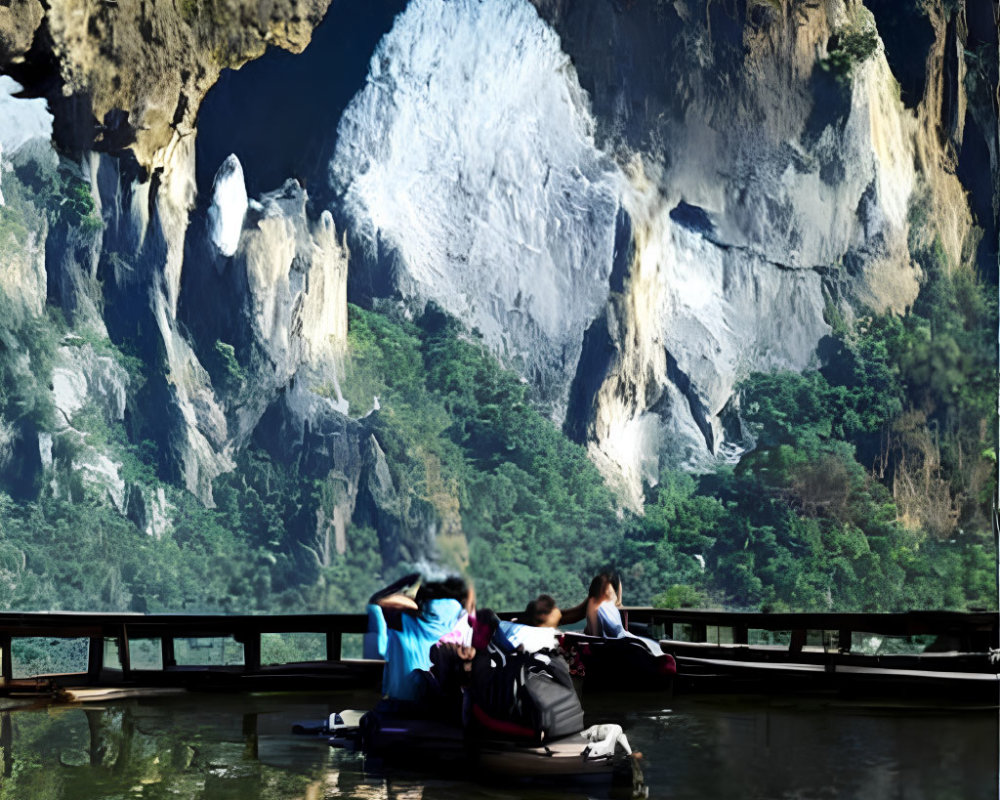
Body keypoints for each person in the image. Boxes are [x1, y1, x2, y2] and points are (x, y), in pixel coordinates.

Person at [371, 574, 474, 703]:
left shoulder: (403, 621)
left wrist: (412, 594)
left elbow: (377, 599)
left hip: (402, 704)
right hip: (443, 709)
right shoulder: (463, 626)